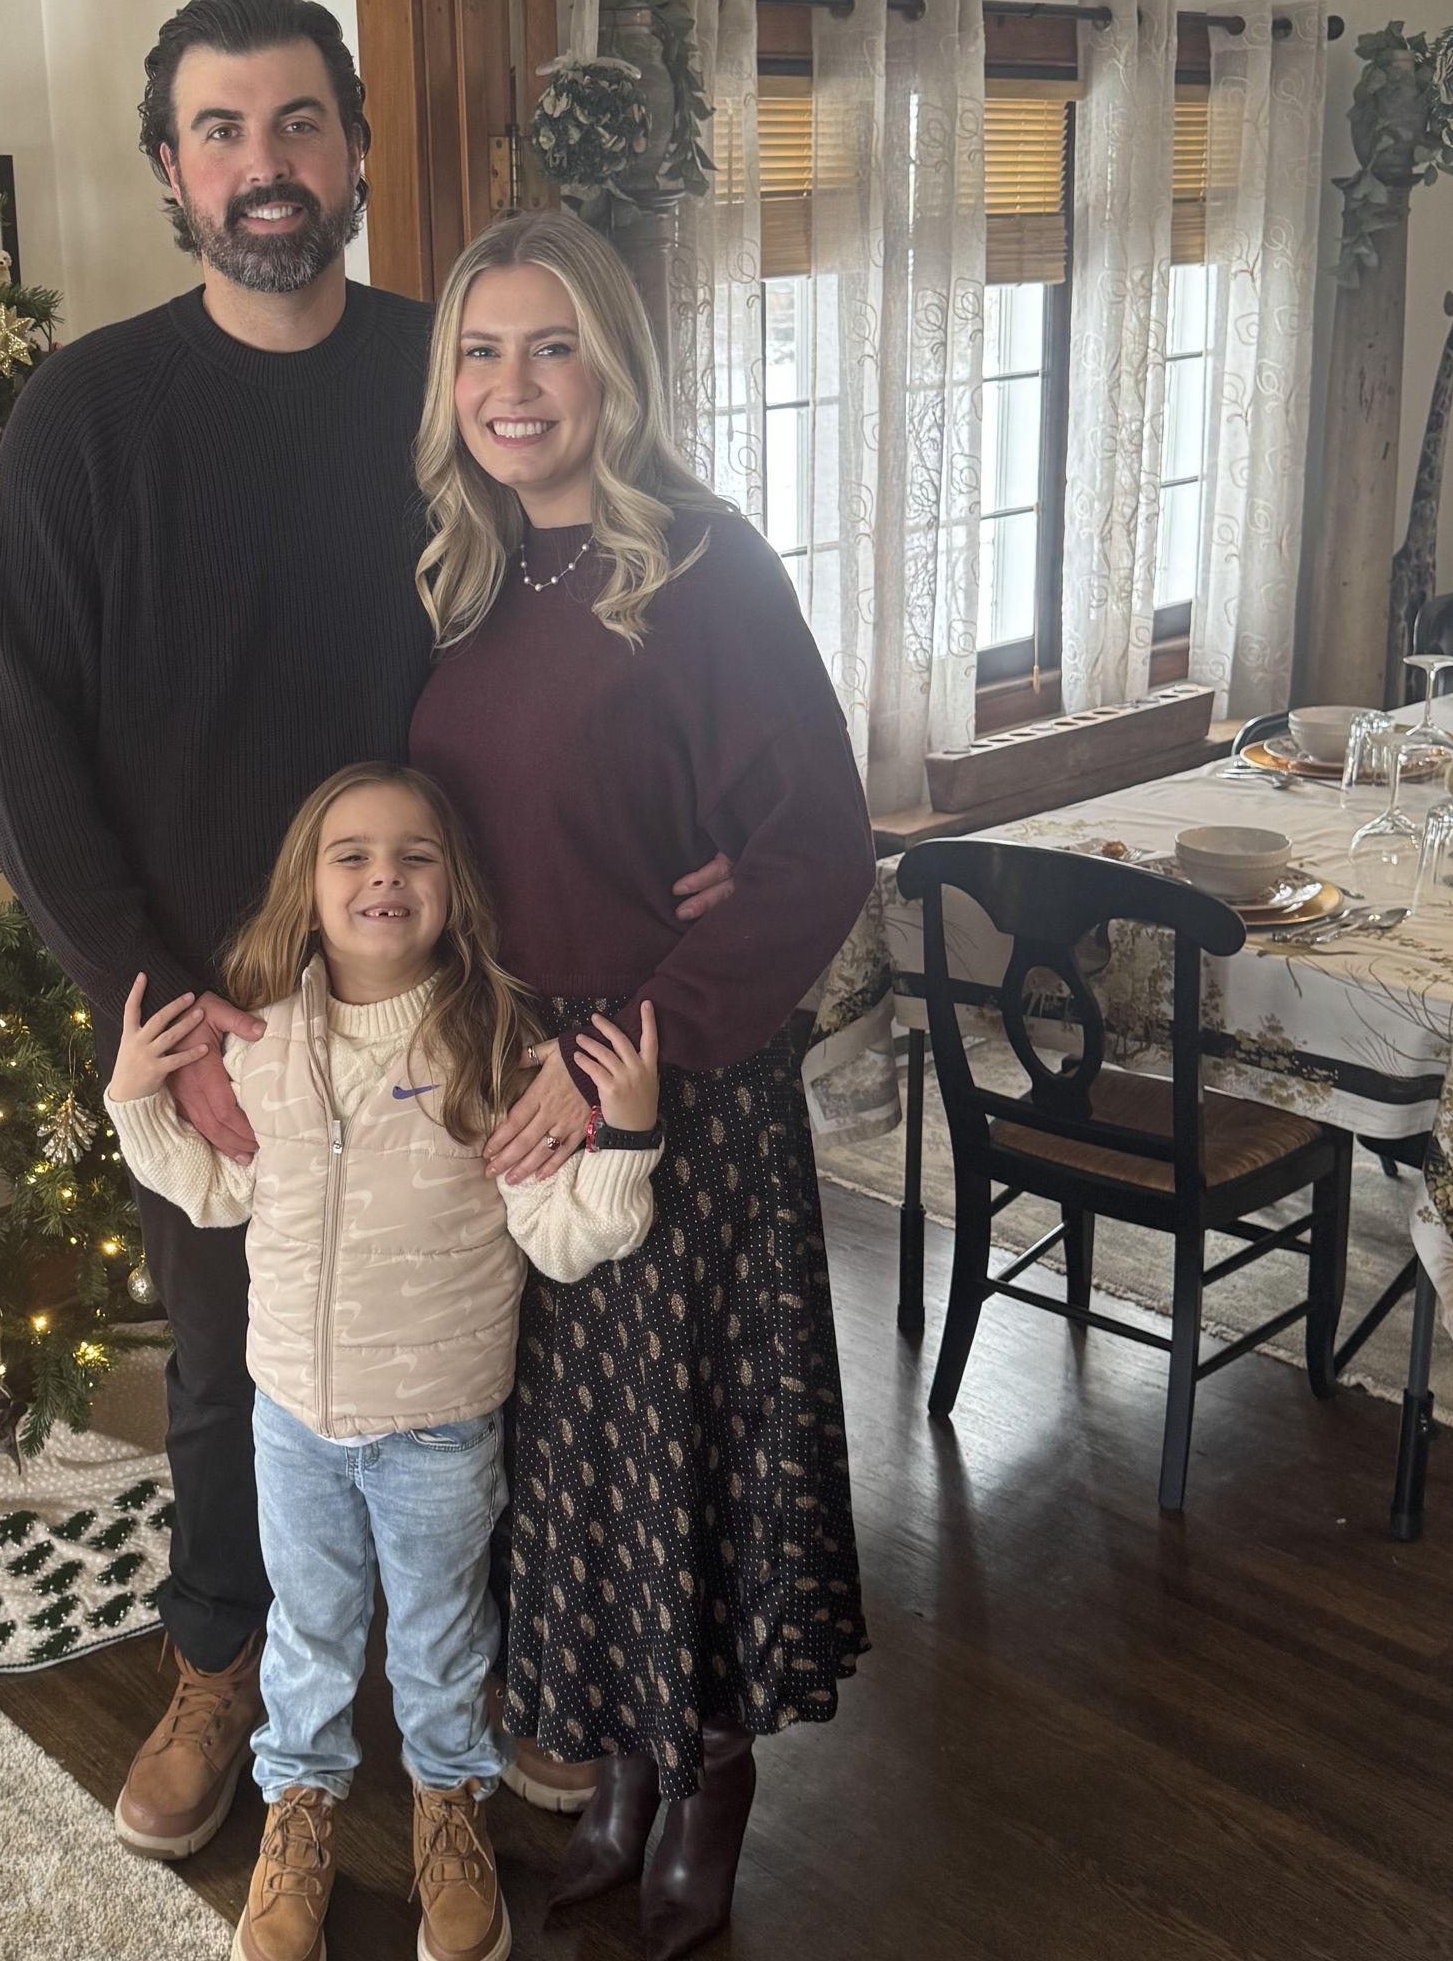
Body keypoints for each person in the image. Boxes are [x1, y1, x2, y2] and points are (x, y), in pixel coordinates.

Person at [0, 0, 733, 1857]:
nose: (265, 165)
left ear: (357, 152)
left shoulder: (444, 374)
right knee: (231, 1363)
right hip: (220, 1016)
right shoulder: (83, 416)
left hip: (460, 986)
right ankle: (220, 1666)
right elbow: (19, 746)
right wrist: (161, 1015)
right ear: (170, 171)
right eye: (222, 131)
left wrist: (699, 812)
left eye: (298, 123)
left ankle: (499, 1676)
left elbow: (604, 581)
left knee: (491, 1337)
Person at [407, 208, 875, 1961]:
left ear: (612, 367)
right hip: (509, 1071)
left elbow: (816, 849)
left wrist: (641, 1037)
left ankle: (709, 1782)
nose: (513, 384)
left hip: (667, 1081)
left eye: (551, 346)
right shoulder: (463, 577)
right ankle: (614, 1760)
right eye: (481, 350)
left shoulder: (705, 566)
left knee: (691, 1447)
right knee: (566, 1456)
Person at [102, 762, 664, 1961]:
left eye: (415, 854)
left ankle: (447, 1807)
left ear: (453, 887)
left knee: (441, 1637)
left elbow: (564, 1237)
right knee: (307, 1632)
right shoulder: (258, 1039)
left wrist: (626, 1136)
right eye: (350, 854)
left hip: (440, 1427)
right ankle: (297, 1810)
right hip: (290, 1420)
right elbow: (211, 1189)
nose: (382, 875)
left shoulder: (495, 1044)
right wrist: (135, 1099)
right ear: (306, 890)